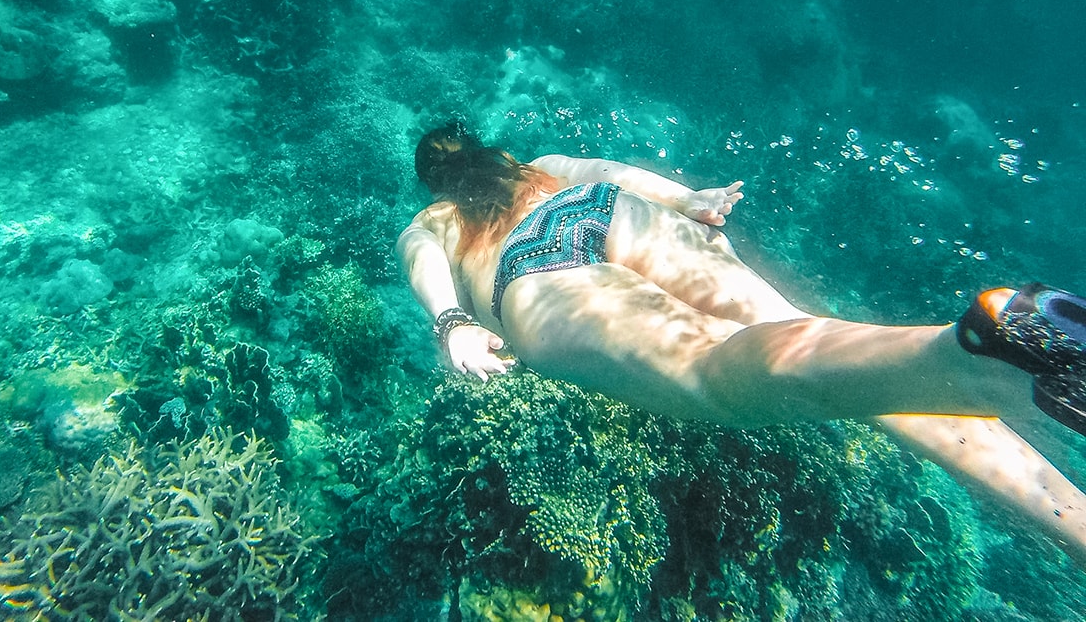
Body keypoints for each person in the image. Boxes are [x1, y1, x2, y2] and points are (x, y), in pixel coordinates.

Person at [397, 120, 1086, 566]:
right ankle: (1065, 501)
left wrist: (453, 322)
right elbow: (605, 171)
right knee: (803, 335)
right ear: (489, 150)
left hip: (535, 271)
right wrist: (686, 200)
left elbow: (422, 258)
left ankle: (964, 354)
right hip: (609, 212)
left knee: (712, 374)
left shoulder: (437, 217)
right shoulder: (539, 165)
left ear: (434, 182)